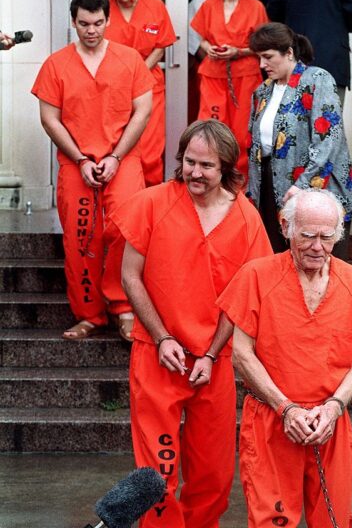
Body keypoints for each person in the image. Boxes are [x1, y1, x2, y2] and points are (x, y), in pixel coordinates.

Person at [110, 119, 273, 527]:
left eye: (206, 166)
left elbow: (245, 296)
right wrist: (162, 337)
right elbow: (130, 275)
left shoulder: (246, 218)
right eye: (189, 162)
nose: (195, 173)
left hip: (211, 361)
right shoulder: (151, 203)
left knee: (213, 474)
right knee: (157, 473)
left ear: (226, 169)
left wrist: (212, 353)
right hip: (157, 354)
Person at [217, 189, 352, 528]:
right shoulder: (257, 275)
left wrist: (334, 407)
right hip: (272, 419)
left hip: (331, 422)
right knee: (272, 520)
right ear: (286, 228)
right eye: (307, 235)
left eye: (327, 237)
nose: (317, 247)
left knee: (335, 520)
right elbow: (241, 354)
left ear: (338, 234)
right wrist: (287, 408)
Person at [31, 0, 154, 341]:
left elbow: (142, 110)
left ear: (108, 20)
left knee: (125, 231)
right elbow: (49, 118)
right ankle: (88, 315)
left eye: (98, 23)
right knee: (81, 237)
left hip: (123, 158)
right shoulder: (57, 64)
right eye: (84, 23)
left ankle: (124, 307)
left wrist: (116, 156)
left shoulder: (129, 59)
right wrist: (81, 158)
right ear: (73, 22)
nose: (91, 30)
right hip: (77, 162)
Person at [247, 22, 352, 259]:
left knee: (319, 262)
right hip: (270, 188)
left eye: (267, 57)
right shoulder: (262, 91)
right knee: (279, 262)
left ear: (289, 52)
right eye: (259, 58)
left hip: (316, 188)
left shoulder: (317, 79)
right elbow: (255, 147)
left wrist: (303, 184)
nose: (262, 65)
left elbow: (329, 139)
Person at [190, 0, 268, 178]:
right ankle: (210, 175)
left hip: (245, 75)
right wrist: (208, 48)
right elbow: (202, 37)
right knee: (210, 127)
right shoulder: (209, 5)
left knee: (243, 131)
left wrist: (239, 51)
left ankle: (240, 180)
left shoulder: (255, 7)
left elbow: (262, 45)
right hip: (213, 73)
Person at [104, 0, 176, 186]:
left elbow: (161, 45)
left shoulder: (155, 6)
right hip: (112, 86)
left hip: (148, 83)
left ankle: (150, 200)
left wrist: (139, 71)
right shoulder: (104, 9)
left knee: (150, 149)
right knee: (115, 144)